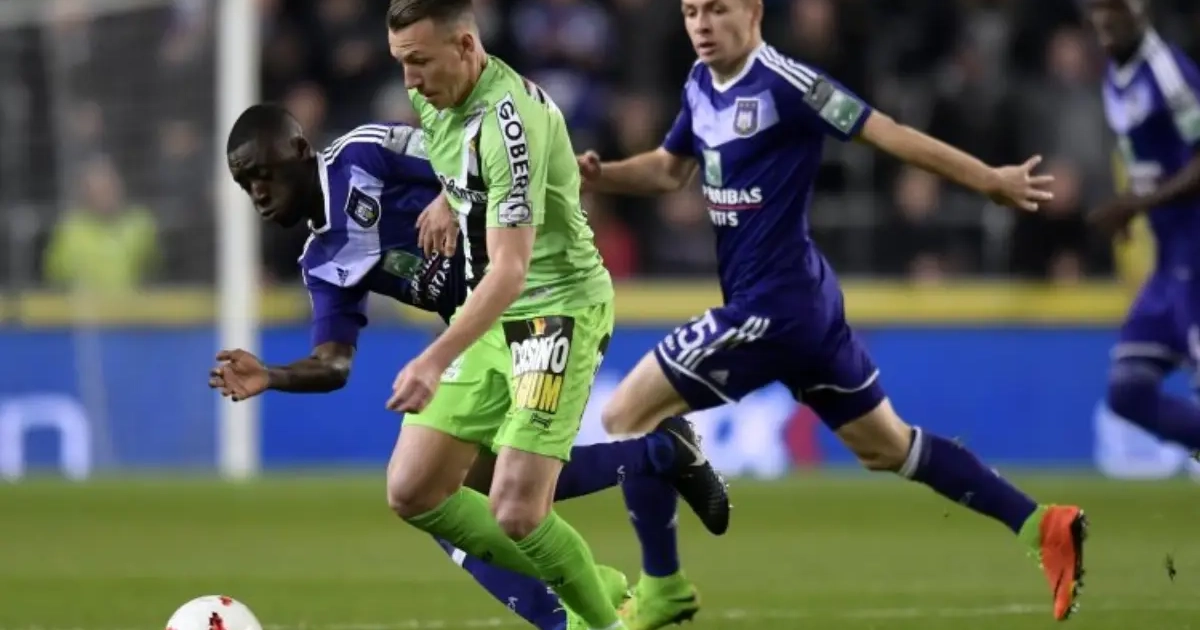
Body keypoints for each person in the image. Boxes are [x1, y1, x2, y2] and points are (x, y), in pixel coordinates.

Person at [577, 0, 1087, 622]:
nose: (701, 25)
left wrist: (988, 179)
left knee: (625, 414)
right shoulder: (700, 83)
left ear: (753, 10)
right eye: (690, 12)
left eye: (716, 9)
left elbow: (886, 132)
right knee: (888, 447)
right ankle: (1042, 524)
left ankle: (664, 587)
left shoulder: (790, 85)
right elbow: (667, 171)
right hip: (805, 307)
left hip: (773, 308)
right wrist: (600, 175)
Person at [211, 104, 726, 630]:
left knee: (489, 489)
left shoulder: (363, 154)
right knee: (439, 488)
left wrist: (445, 196)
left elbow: (474, 156)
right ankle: (657, 458)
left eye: (263, 174)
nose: (257, 193)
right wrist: (272, 375)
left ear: (299, 150)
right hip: (476, 333)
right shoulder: (322, 261)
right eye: (245, 184)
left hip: (536, 292)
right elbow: (333, 364)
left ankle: (583, 606)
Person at [1083, 0, 1200, 459]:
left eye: (1113, 18)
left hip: (1195, 247)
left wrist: (1137, 203)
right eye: (1099, 21)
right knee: (1128, 391)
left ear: (1139, 13)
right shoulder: (1114, 76)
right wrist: (1131, 209)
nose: (1104, 31)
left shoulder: (1169, 71)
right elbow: (1148, 160)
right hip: (1169, 256)